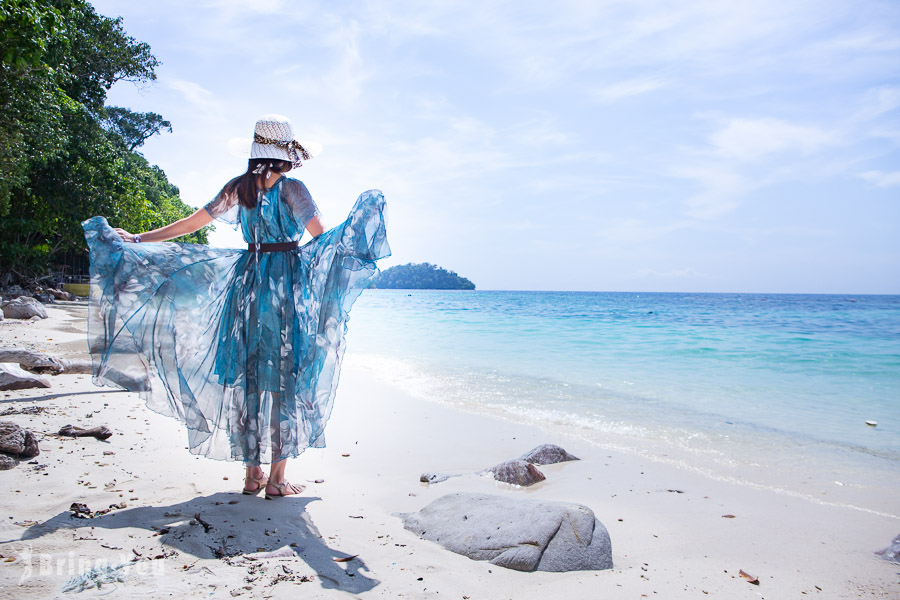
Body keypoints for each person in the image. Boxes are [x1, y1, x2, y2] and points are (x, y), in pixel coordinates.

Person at [82, 114, 390, 499]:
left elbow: (190, 224)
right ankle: (276, 481)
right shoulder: (293, 189)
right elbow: (321, 238)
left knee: (248, 376)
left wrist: (141, 238)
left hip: (245, 285)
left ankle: (251, 475)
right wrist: (353, 234)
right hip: (283, 288)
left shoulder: (239, 188)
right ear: (286, 155)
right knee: (283, 380)